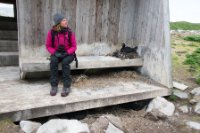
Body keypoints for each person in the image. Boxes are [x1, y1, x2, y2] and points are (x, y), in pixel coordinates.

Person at [45, 13, 77, 97]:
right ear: (58, 22)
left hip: (68, 54)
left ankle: (66, 86)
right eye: (64, 20)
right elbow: (48, 46)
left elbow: (74, 46)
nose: (66, 21)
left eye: (66, 19)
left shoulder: (70, 32)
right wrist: (55, 52)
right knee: (53, 61)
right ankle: (54, 86)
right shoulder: (52, 33)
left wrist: (67, 52)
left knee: (65, 62)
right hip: (57, 53)